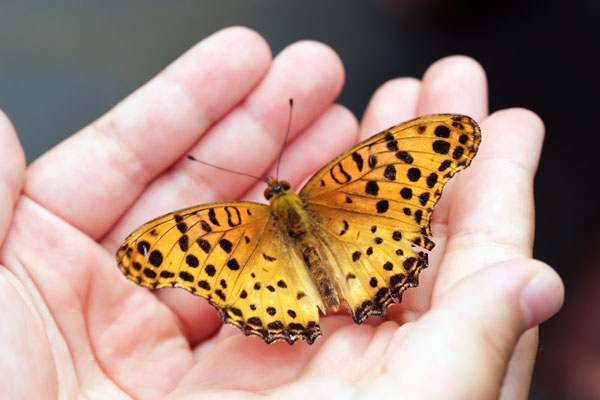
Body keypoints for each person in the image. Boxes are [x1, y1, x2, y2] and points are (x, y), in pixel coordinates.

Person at [0, 26, 563, 399]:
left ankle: (306, 306)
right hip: (369, 249)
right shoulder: (348, 178)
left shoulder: (225, 227)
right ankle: (359, 288)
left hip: (274, 287)